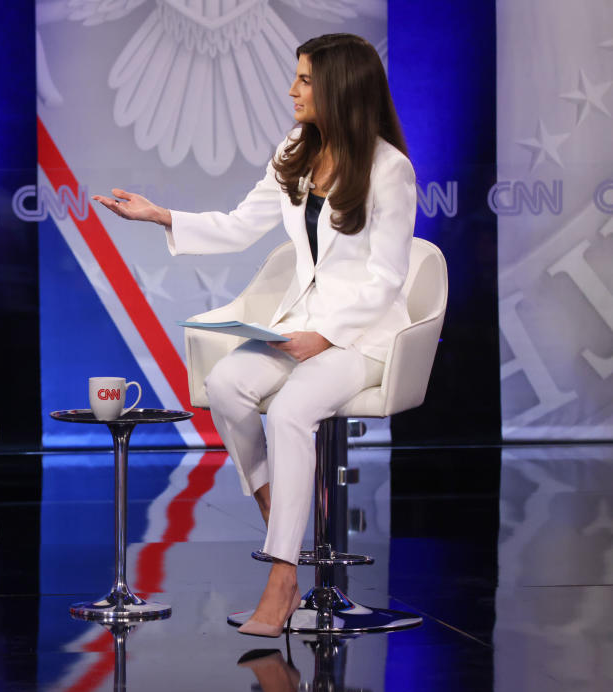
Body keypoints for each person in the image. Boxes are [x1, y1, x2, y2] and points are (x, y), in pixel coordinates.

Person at [94, 33, 416, 637]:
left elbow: (387, 279)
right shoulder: (297, 147)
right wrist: (161, 215)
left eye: (305, 81)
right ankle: (278, 515)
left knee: (292, 410)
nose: (292, 90)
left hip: (364, 337)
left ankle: (281, 575)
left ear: (340, 88)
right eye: (295, 78)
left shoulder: (389, 169)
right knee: (228, 381)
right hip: (302, 325)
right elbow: (242, 225)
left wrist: (325, 334)